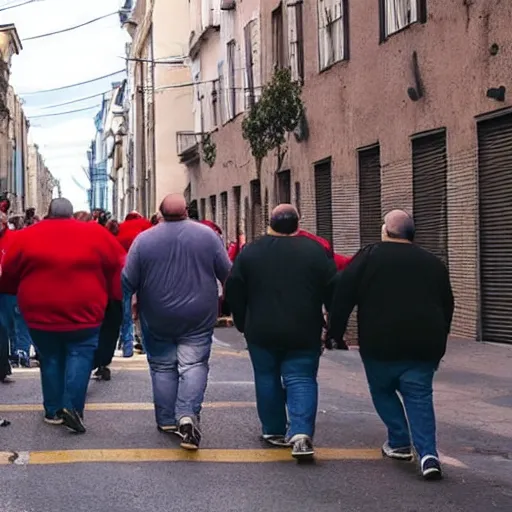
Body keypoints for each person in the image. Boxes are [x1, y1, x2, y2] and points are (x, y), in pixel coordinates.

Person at [329, 209, 454, 481]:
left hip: (380, 343)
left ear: (386, 231)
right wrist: (440, 342)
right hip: (423, 344)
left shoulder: (369, 256)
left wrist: (334, 334)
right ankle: (429, 454)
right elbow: (447, 305)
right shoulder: (433, 263)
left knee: (382, 390)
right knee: (419, 397)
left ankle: (398, 441)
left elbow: (342, 295)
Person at [0, 198, 124, 433]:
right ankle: (73, 407)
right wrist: (110, 293)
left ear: (48, 213)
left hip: (40, 310)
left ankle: (53, 410)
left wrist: (13, 290)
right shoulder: (95, 233)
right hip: (85, 309)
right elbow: (117, 263)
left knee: (50, 357)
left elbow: (9, 271)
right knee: (81, 353)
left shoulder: (26, 235)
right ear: (70, 214)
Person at [225, 204, 336, 460]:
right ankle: (300, 432)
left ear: (269, 223)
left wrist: (243, 321)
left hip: (261, 329)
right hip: (304, 327)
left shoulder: (251, 252)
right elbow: (333, 287)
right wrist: (330, 321)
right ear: (298, 224)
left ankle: (273, 430)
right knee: (302, 378)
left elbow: (235, 289)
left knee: (267, 377)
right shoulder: (316, 251)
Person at [123, 194, 232, 450]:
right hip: (198, 314)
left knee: (162, 367)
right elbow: (228, 272)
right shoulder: (207, 236)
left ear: (159, 213)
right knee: (194, 364)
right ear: (187, 211)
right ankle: (186, 414)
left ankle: (166, 419)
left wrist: (134, 303)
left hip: (157, 314)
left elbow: (128, 279)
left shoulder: (144, 240)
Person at [117, 211, 152, 357]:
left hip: (122, 269)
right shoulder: (146, 225)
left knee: (125, 308)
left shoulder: (120, 227)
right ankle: (145, 343)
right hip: (143, 270)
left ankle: (127, 345)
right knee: (144, 307)